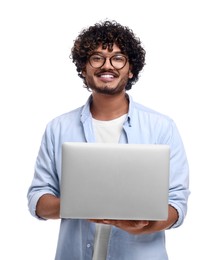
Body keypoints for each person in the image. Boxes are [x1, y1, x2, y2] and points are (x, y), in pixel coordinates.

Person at [27, 20, 190, 260]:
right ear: (84, 68)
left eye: (118, 58)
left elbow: (177, 205)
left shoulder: (162, 127)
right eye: (97, 58)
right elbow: (38, 199)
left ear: (130, 69)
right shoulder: (58, 128)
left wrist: (146, 225)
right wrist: (80, 203)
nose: (107, 66)